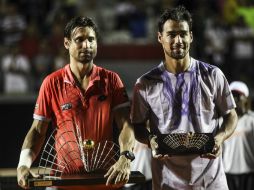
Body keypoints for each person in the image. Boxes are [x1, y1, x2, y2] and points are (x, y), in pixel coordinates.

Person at [17, 16, 135, 190]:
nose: (86, 45)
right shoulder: (51, 83)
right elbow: (37, 130)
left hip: (106, 181)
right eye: (79, 40)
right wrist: (23, 165)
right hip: (62, 182)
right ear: (66, 43)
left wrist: (126, 156)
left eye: (91, 40)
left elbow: (125, 124)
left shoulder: (111, 80)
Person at [130, 5, 238, 190]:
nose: (178, 40)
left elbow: (231, 115)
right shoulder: (145, 83)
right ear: (160, 37)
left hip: (211, 180)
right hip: (168, 182)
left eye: (183, 34)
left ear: (191, 36)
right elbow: (138, 126)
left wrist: (220, 137)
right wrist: (151, 140)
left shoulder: (212, 75)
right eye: (172, 34)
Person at [223, 81, 254, 190]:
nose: (235, 99)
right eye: (232, 96)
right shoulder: (222, 121)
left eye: (238, 96)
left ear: (246, 99)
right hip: (228, 172)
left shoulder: (252, 120)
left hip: (249, 172)